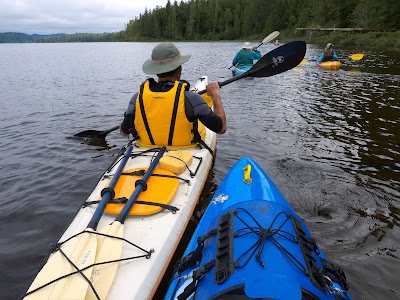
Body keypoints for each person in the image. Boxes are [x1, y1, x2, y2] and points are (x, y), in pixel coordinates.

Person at [120, 42, 227, 147]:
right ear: (179, 69)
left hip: (146, 149)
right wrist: (216, 95)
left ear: (156, 71)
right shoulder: (192, 99)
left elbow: (123, 133)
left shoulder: (137, 98)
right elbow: (221, 128)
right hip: (183, 155)